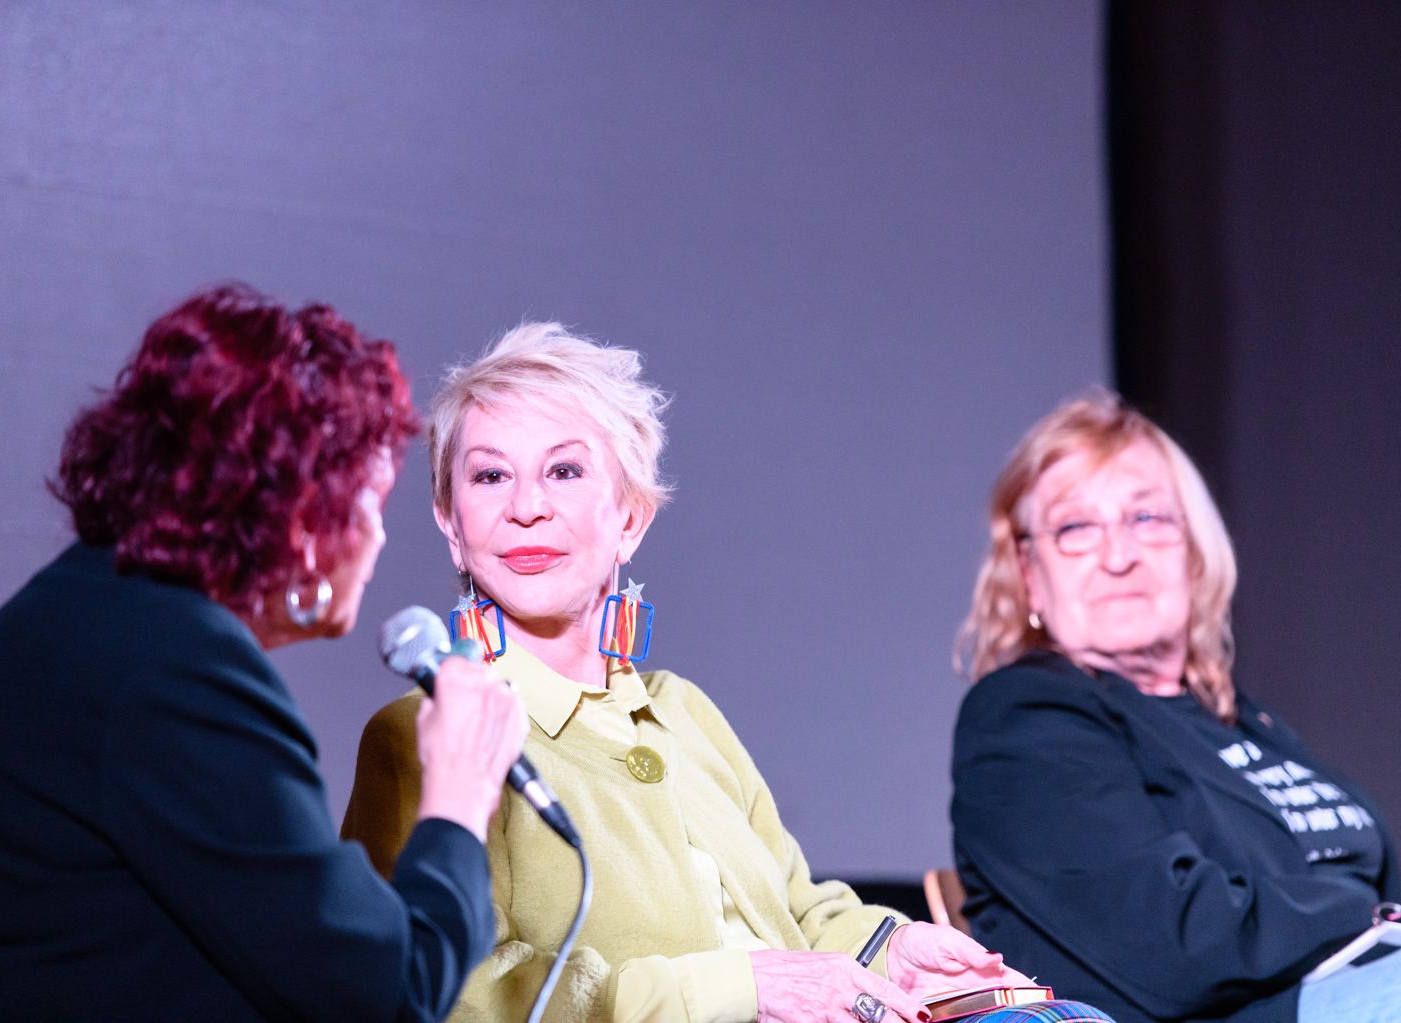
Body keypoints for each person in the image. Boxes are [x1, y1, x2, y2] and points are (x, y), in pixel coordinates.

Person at [342, 323, 1114, 1023]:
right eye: (488, 477)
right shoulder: (420, 734)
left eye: (565, 471)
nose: (526, 506)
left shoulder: (684, 711)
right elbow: (459, 993)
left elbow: (800, 910)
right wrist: (740, 987)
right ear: (450, 522)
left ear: (629, 518)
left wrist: (892, 947)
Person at [0, 285, 529, 1021]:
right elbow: (387, 995)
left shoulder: (81, 612)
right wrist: (460, 794)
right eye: (371, 499)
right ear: (306, 516)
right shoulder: (176, 672)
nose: (380, 537)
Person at [950, 390, 1401, 1023]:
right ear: (1028, 572)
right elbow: (1172, 939)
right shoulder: (1025, 718)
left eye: (1148, 519)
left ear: (1195, 552)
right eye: (1076, 529)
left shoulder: (1240, 722)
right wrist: (1372, 918)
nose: (1119, 556)